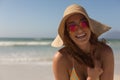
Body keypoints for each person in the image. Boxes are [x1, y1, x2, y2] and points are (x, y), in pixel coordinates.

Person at [51, 4, 114, 80]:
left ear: (90, 26)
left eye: (84, 23)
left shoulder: (105, 53)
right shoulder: (61, 59)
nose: (80, 30)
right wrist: (92, 78)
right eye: (72, 27)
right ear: (67, 32)